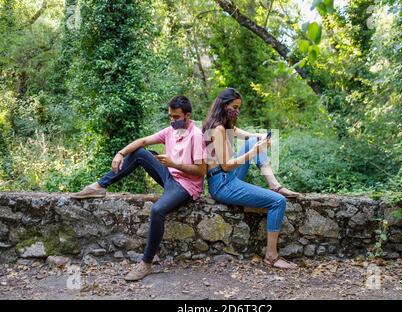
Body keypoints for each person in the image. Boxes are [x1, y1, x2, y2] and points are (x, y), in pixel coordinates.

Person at [71, 95, 206, 280]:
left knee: (157, 210)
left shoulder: (196, 135)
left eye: (176, 117)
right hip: (170, 175)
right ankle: (99, 186)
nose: (172, 120)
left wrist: (174, 163)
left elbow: (200, 171)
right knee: (140, 153)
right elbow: (142, 141)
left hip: (186, 186)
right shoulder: (170, 131)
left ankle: (146, 263)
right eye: (170, 116)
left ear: (187, 116)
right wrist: (120, 153)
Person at [202, 88, 299, 269]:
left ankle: (274, 185)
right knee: (278, 202)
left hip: (227, 177)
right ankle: (271, 256)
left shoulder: (225, 125)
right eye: (234, 107)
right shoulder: (217, 129)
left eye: (239, 108)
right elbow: (226, 165)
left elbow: (243, 134)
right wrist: (253, 152)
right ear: (224, 105)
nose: (237, 111)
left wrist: (259, 138)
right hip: (222, 183)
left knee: (253, 141)